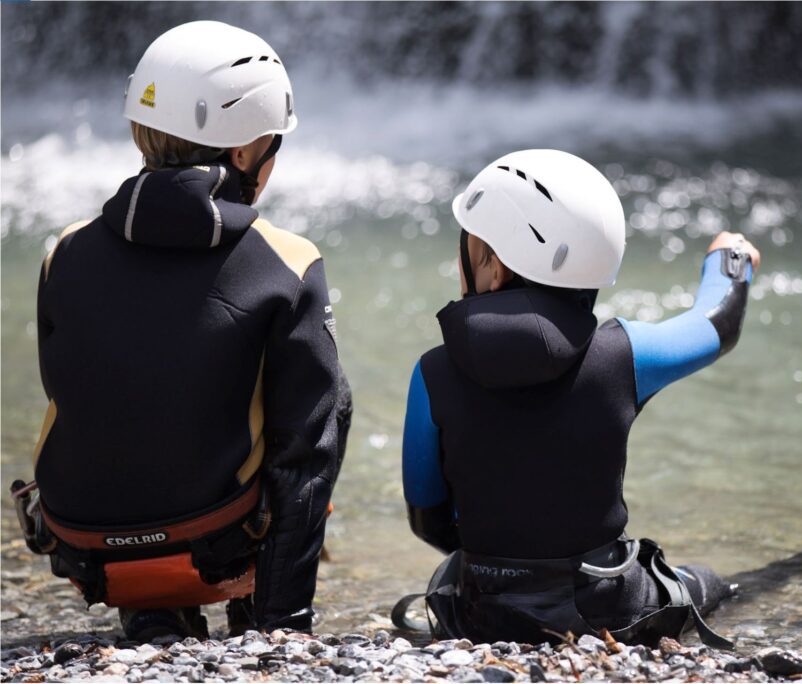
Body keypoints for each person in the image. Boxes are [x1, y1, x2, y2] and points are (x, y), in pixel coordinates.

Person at [13, 21, 352, 641]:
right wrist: (287, 631)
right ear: (246, 151)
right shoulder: (289, 261)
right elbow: (307, 451)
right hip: (216, 548)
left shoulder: (64, 251)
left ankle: (152, 610)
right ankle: (267, 610)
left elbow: (89, 394)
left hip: (86, 549)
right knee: (319, 416)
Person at [397, 149, 760, 647]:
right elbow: (718, 323)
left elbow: (428, 519)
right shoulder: (624, 355)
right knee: (706, 583)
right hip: (606, 609)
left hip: (481, 613)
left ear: (495, 268)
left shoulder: (432, 372)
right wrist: (730, 259)